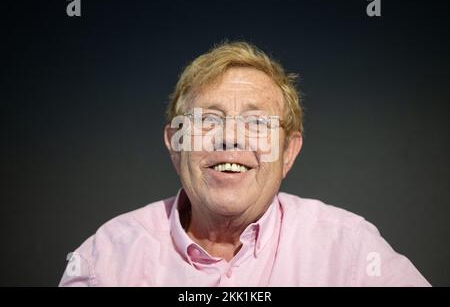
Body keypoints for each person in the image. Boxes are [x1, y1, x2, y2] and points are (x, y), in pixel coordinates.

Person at [59, 41, 430, 286]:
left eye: (256, 123)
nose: (230, 139)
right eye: (208, 120)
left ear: (288, 153)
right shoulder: (104, 262)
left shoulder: (351, 250)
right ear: (175, 144)